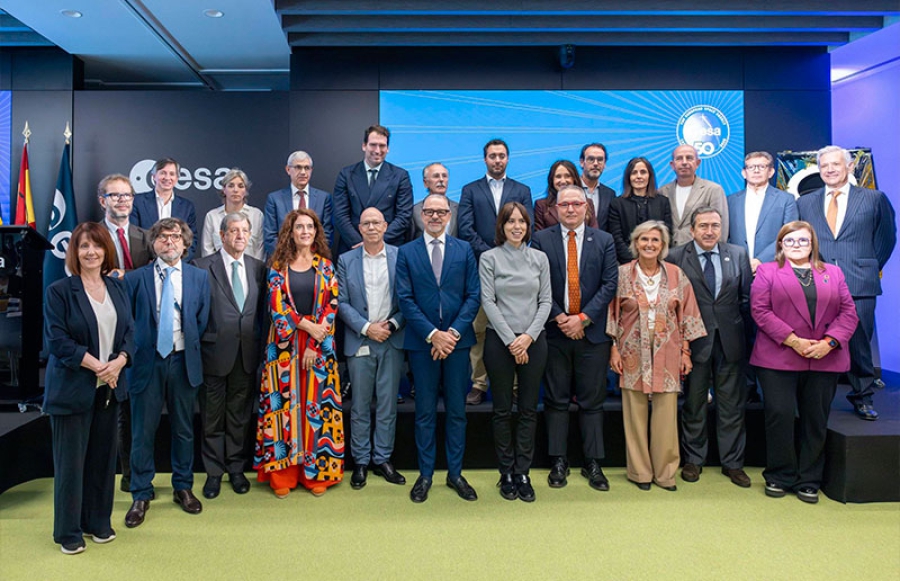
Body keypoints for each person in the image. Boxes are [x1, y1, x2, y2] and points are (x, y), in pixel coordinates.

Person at [750, 221, 858, 503]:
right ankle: (780, 475)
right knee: (780, 416)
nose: (797, 246)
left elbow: (849, 313)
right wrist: (794, 340)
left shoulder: (833, 273)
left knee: (815, 420)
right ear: (780, 245)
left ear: (812, 245)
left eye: (803, 241)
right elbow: (760, 311)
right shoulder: (766, 271)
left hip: (825, 358)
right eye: (790, 241)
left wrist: (829, 342)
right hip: (779, 357)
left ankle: (809, 479)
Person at [43, 223, 134, 554]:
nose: (91, 252)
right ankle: (68, 532)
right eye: (84, 247)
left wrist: (121, 361)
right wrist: (99, 367)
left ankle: (97, 521)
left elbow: (130, 333)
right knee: (71, 464)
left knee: (102, 459)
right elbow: (57, 341)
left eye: (97, 246)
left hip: (108, 389)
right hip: (72, 389)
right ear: (75, 252)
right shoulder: (59, 291)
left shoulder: (118, 288)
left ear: (106, 250)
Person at [797, 145, 896, 420]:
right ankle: (816, 400)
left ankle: (862, 396)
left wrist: (871, 265)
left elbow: (887, 236)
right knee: (818, 338)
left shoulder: (874, 199)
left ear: (849, 167)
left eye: (835, 165)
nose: (829, 170)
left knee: (859, 341)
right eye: (824, 165)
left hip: (859, 281)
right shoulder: (805, 202)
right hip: (818, 283)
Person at [124, 218, 210, 528]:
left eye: (175, 237)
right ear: (154, 243)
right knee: (142, 431)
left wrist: (180, 343)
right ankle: (141, 492)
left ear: (186, 244)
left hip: (184, 359)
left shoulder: (200, 278)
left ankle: (183, 486)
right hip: (146, 362)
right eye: (162, 237)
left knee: (184, 428)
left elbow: (201, 321)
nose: (169, 241)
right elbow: (128, 322)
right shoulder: (136, 279)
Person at [531, 185, 618, 492]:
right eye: (563, 204)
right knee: (555, 400)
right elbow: (537, 284)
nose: (569, 209)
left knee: (592, 402)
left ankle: (593, 462)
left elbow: (609, 284)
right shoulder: (541, 239)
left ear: (586, 208)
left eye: (576, 204)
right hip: (554, 332)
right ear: (554, 208)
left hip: (591, 333)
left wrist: (582, 318)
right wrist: (560, 317)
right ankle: (558, 460)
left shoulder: (604, 240)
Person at [608, 220, 706, 491]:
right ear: (635, 243)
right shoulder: (621, 274)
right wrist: (613, 348)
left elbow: (687, 315)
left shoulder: (676, 274)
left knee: (665, 414)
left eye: (655, 240)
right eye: (644, 240)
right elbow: (612, 314)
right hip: (631, 351)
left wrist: (686, 352)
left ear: (663, 245)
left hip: (668, 350)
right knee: (635, 414)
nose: (649, 245)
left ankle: (665, 474)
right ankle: (640, 473)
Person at [396, 194, 481, 503]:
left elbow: (474, 295)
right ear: (421, 215)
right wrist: (434, 335)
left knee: (457, 412)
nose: (434, 216)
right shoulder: (406, 252)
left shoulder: (465, 250)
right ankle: (426, 475)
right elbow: (405, 299)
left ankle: (455, 474)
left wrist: (452, 334)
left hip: (458, 345)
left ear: (449, 216)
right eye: (428, 211)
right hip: (422, 344)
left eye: (440, 211)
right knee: (424, 413)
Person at [254, 209, 343, 497]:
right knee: (284, 410)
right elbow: (277, 307)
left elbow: (332, 306)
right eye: (299, 227)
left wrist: (316, 341)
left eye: (310, 227)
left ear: (316, 232)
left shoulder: (326, 267)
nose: (305, 231)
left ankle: (316, 472)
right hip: (283, 349)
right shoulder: (278, 266)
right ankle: (284, 473)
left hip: (319, 348)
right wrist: (305, 325)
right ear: (290, 232)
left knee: (316, 408)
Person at [666, 207, 753, 488]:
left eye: (715, 226)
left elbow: (746, 299)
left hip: (731, 341)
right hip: (693, 342)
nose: (709, 231)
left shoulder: (737, 254)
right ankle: (693, 460)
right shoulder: (677, 256)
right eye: (703, 226)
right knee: (694, 403)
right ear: (692, 230)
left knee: (731, 405)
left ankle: (733, 463)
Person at [479, 202, 551, 502]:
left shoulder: (540, 258)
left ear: (528, 226)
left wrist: (527, 339)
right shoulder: (489, 258)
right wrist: (512, 341)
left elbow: (546, 301)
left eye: (522, 221)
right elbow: (488, 302)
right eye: (510, 222)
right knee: (501, 410)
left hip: (534, 342)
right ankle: (505, 472)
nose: (517, 226)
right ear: (502, 226)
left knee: (527, 410)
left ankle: (523, 472)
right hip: (500, 342)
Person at [192, 213, 266, 499]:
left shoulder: (259, 268)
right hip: (213, 353)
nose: (239, 235)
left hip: (246, 354)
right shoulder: (201, 267)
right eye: (233, 230)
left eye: (244, 231)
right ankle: (213, 473)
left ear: (250, 236)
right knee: (212, 417)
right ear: (221, 235)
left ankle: (236, 469)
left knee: (239, 416)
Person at [458, 138, 533, 405]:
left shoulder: (521, 190)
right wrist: (493, 253)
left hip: (515, 271)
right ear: (485, 159)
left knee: (511, 325)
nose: (497, 160)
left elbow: (527, 226)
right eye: (492, 156)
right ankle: (479, 383)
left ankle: (512, 384)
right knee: (480, 328)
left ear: (508, 159)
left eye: (502, 155)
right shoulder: (470, 190)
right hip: (481, 269)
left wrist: (505, 253)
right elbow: (466, 229)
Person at [338, 208, 407, 490]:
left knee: (388, 405)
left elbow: (408, 299)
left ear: (385, 226)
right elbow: (341, 302)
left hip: (391, 339)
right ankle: (362, 461)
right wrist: (367, 328)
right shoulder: (346, 260)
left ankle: (383, 458)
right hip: (361, 340)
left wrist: (390, 325)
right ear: (359, 228)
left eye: (376, 222)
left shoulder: (400, 257)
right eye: (365, 223)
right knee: (360, 406)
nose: (371, 227)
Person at [95, 174, 152, 494]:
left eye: (127, 195)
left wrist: (122, 275)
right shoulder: (92, 236)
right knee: (110, 407)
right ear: (102, 200)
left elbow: (156, 275)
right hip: (103, 331)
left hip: (141, 331)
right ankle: (110, 475)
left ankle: (134, 475)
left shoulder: (145, 237)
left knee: (134, 409)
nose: (122, 201)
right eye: (114, 196)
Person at [333, 125, 413, 253]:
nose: (377, 150)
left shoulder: (400, 176)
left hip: (388, 248)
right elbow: (340, 214)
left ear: (388, 148)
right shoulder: (346, 174)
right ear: (364, 146)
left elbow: (404, 216)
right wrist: (359, 243)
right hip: (353, 247)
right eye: (373, 145)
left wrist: (378, 242)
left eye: (382, 146)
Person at [727, 152, 798, 275]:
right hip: (737, 269)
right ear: (744, 173)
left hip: (774, 268)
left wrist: (761, 260)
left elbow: (789, 235)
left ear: (771, 172)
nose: (756, 171)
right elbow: (726, 236)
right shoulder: (731, 200)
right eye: (751, 167)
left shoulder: (786, 199)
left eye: (761, 167)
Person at [263, 151, 333, 255]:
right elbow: (270, 237)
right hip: (283, 261)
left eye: (307, 168)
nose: (303, 172)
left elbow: (327, 235)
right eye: (298, 167)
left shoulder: (324, 198)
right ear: (288, 169)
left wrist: (308, 256)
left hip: (314, 261)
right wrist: (293, 257)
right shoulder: (274, 199)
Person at [659, 145, 728, 246]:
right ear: (672, 165)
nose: (684, 162)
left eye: (689, 158)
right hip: (669, 254)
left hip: (700, 254)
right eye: (679, 158)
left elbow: (721, 228)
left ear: (698, 163)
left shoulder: (713, 190)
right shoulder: (662, 191)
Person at [130, 158, 199, 260]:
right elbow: (134, 237)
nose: (167, 177)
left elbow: (191, 240)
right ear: (154, 176)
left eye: (172, 174)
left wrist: (178, 262)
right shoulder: (138, 201)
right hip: (146, 264)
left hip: (177, 265)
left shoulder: (186, 206)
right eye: (163, 173)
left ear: (177, 178)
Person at [608, 157, 673, 264]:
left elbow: (667, 234)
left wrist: (653, 259)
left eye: (643, 172)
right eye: (634, 173)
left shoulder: (663, 202)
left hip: (657, 262)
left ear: (649, 176)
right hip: (626, 263)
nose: (638, 176)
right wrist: (633, 261)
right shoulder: (617, 204)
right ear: (628, 177)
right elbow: (617, 238)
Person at [201, 168, 264, 260]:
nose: (235, 190)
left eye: (240, 186)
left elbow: (260, 249)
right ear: (224, 190)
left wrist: (253, 270)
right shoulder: (212, 216)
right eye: (231, 186)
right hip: (218, 272)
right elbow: (207, 250)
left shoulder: (256, 215)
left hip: (250, 271)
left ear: (245, 191)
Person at [534, 159, 599, 231]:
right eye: (558, 176)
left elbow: (594, 233)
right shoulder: (541, 205)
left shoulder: (588, 203)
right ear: (551, 180)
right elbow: (539, 237)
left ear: (574, 179)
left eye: (567, 176)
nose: (563, 181)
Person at [409, 162, 458, 239]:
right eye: (436, 176)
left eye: (444, 176)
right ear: (425, 183)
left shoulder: (459, 209)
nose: (441, 179)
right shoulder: (414, 211)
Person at [578, 143, 616, 231]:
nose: (595, 164)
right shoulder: (570, 190)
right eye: (591, 159)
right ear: (582, 162)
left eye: (600, 160)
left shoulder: (610, 194)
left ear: (604, 164)